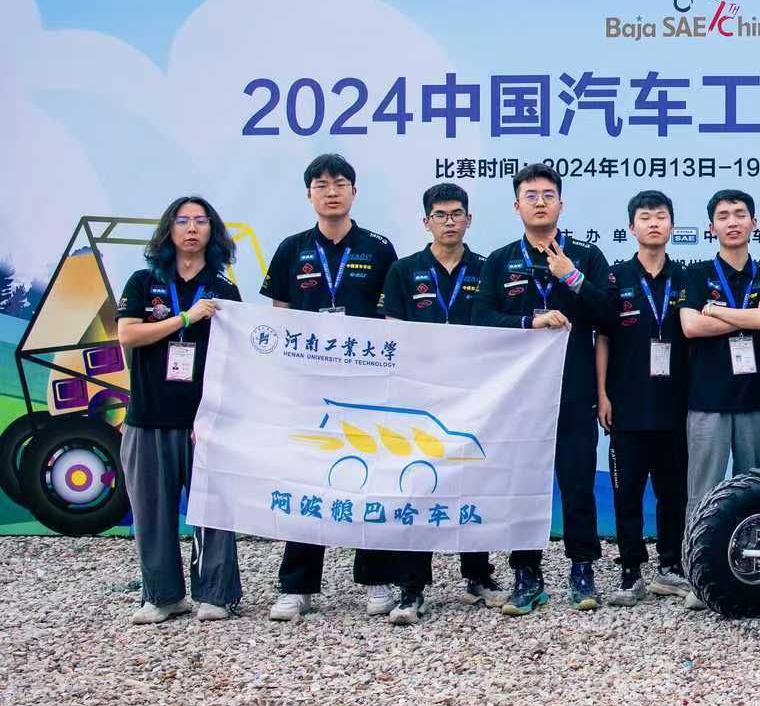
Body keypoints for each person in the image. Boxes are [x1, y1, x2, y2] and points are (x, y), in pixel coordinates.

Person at [474, 164, 616, 615]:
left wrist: (571, 276)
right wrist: (529, 321)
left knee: (577, 483)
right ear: (516, 205)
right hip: (520, 395)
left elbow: (610, 315)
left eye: (548, 195)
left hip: (574, 388)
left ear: (561, 203)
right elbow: (480, 319)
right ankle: (526, 574)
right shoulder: (500, 261)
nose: (540, 202)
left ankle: (582, 570)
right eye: (531, 195)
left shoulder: (586, 255)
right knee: (523, 484)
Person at [261, 153, 397, 623]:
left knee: (370, 475)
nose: (331, 191)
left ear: (354, 191)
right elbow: (279, 317)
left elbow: (390, 317)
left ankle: (377, 579)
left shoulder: (378, 248)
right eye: (321, 185)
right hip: (310, 387)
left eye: (340, 183)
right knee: (307, 477)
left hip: (364, 384)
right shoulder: (291, 249)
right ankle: (297, 585)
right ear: (309, 195)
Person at [377, 183, 503, 623]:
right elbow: (392, 333)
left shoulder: (487, 269)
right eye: (440, 215)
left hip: (474, 395)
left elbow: (499, 330)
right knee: (418, 484)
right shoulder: (403, 271)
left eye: (456, 214)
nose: (449, 221)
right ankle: (412, 587)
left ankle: (478, 575)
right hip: (421, 396)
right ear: (426, 221)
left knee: (472, 480)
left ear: (469, 219)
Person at [116, 196, 244, 623]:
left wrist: (220, 413)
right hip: (148, 416)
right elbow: (128, 335)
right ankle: (162, 596)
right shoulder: (143, 282)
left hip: (202, 420)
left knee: (213, 510)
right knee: (152, 513)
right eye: (183, 220)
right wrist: (185, 319)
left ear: (213, 232)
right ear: (168, 230)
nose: (192, 229)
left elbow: (235, 357)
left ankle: (216, 594)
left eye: (201, 221)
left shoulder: (223, 290)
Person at [677, 188, 760, 605]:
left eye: (740, 214)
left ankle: (752, 572)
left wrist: (715, 311)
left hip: (754, 397)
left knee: (755, 489)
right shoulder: (695, 273)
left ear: (754, 222)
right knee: (703, 490)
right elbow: (690, 327)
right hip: (708, 398)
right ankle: (697, 575)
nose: (732, 221)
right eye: (723, 215)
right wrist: (744, 318)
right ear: (711, 227)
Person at [596, 190, 691, 605]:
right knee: (627, 492)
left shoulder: (686, 278)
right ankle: (630, 570)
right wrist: (602, 393)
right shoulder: (615, 278)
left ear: (672, 225)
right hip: (627, 404)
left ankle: (671, 566)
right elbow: (602, 338)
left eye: (661, 216)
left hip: (674, 405)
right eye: (645, 217)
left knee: (674, 492)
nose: (654, 223)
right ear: (631, 227)